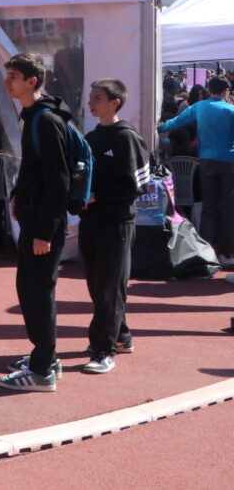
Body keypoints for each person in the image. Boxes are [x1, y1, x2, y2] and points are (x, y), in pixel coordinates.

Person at [0, 52, 71, 392]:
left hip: (44, 227)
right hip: (35, 220)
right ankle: (46, 357)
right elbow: (34, 169)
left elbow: (59, 181)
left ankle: (42, 372)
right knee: (30, 290)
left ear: (32, 81)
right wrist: (18, 194)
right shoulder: (34, 117)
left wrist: (44, 231)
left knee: (37, 294)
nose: (7, 82)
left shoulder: (46, 120)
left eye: (13, 76)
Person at [80, 79, 149, 374]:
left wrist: (97, 195)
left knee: (110, 286)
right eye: (91, 97)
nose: (90, 103)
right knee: (97, 285)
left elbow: (139, 185)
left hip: (117, 222)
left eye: (97, 98)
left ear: (114, 102)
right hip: (91, 221)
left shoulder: (127, 138)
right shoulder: (91, 137)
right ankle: (121, 336)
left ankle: (103, 350)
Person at [158, 76, 234, 267]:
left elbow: (176, 122)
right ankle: (227, 252)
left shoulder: (199, 107)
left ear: (209, 89)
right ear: (226, 91)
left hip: (206, 161)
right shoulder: (231, 110)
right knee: (227, 207)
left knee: (208, 207)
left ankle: (205, 252)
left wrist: (159, 128)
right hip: (229, 161)